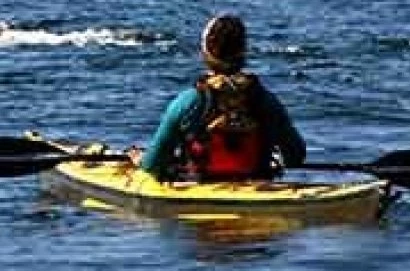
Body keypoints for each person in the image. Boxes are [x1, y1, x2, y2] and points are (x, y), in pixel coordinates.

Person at [127, 14, 306, 181]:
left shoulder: (187, 102)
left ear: (206, 54)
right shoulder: (267, 101)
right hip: (255, 185)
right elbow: (295, 157)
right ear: (243, 52)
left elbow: (152, 166)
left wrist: (140, 158)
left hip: (198, 189)